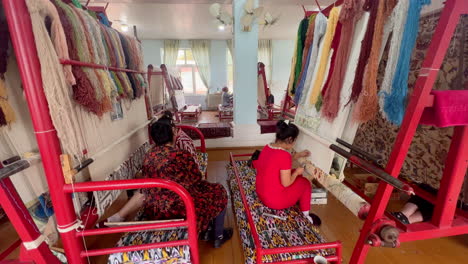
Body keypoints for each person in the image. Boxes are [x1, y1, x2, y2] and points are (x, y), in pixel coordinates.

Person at [105, 115, 232, 248]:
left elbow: (146, 187)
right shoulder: (181, 155)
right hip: (179, 210)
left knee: (200, 191)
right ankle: (218, 236)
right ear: (173, 133)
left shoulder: (149, 155)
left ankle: (207, 231)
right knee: (219, 190)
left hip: (155, 210)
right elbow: (196, 180)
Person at [254, 120, 321, 226]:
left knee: (294, 173)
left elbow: (278, 163)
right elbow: (286, 183)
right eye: (295, 141)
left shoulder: (268, 147)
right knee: (305, 183)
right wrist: (297, 172)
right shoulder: (284, 155)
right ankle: (306, 216)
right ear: (290, 139)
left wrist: (297, 155)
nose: (295, 143)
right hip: (273, 201)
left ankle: (298, 198)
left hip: (261, 193)